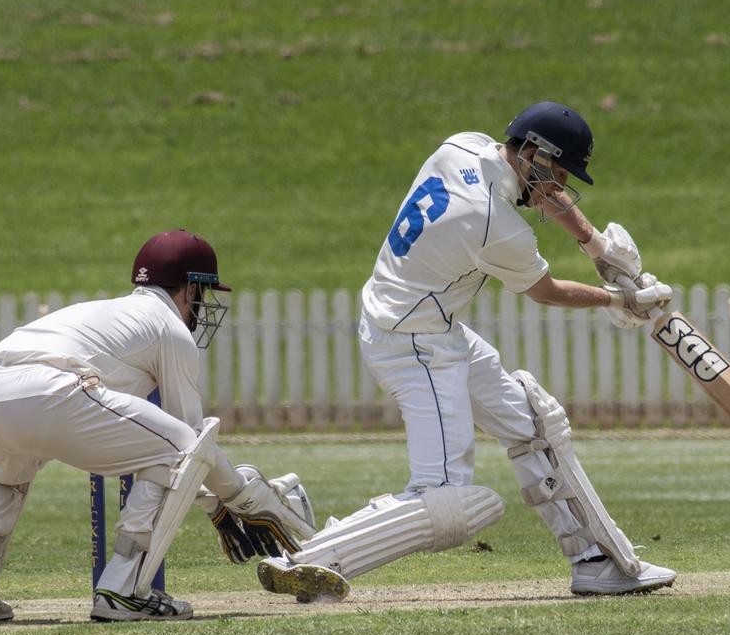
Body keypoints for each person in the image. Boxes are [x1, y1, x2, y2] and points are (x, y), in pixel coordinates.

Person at [257, 101, 678, 602]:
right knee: (447, 497)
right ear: (533, 153)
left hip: (425, 322)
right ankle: (308, 559)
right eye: (555, 174)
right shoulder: (493, 224)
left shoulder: (463, 145)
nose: (557, 188)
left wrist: (597, 247)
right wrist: (618, 300)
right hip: (413, 343)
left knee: (532, 421)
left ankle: (594, 562)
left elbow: (540, 194)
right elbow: (546, 292)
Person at [0, 229, 317, 623]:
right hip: (50, 390)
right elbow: (193, 445)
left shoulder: (108, 311)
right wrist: (238, 499)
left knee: (4, 469)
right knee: (179, 444)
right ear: (190, 289)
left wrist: (216, 504)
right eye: (203, 295)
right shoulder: (169, 328)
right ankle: (123, 591)